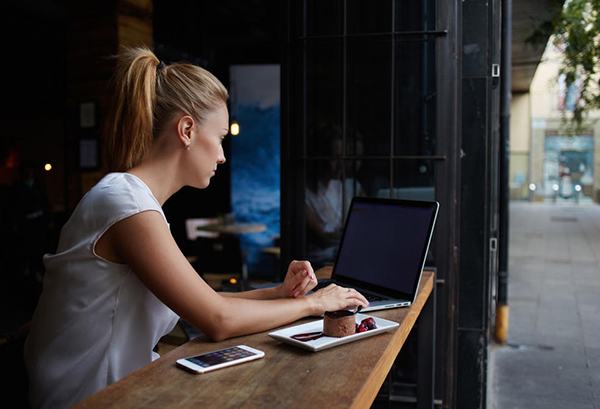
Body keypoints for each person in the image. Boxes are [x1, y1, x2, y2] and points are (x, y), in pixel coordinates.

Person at [24, 47, 369, 409]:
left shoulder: (137, 203)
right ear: (187, 130)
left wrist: (281, 293)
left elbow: (207, 302)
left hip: (123, 390)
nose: (222, 155)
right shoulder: (126, 204)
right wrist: (315, 303)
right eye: (220, 138)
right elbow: (217, 319)